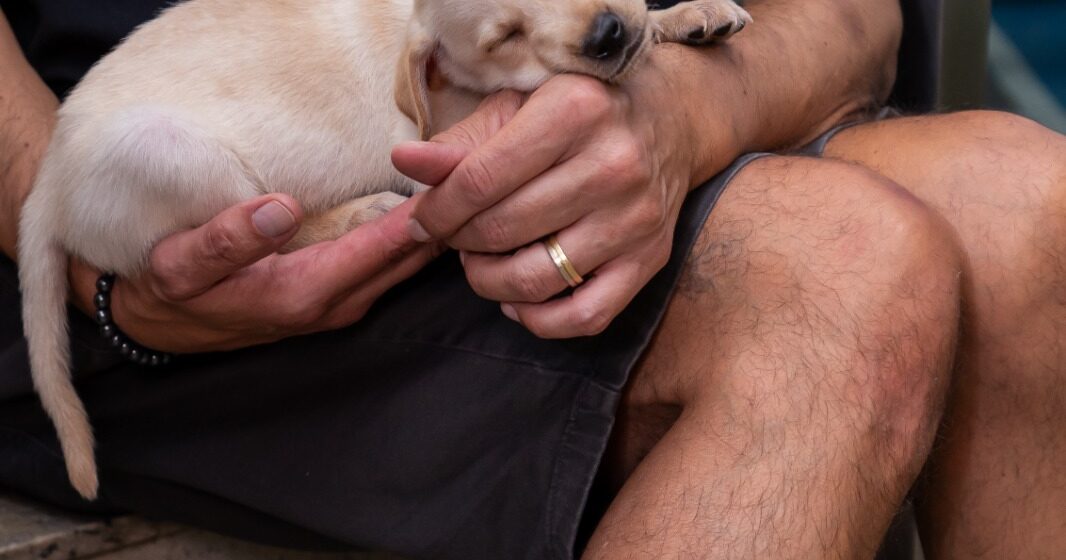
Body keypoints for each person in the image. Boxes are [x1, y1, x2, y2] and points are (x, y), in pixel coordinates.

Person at [0, 0, 1063, 558]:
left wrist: (696, 113)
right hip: (159, 240)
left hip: (676, 115)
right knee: (839, 280)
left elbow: (856, 12)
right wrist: (103, 267)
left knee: (1029, 208)